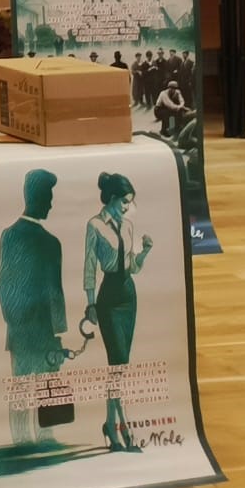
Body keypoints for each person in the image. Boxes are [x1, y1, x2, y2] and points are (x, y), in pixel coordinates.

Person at [84, 171, 154, 453]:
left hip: (128, 295)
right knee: (118, 362)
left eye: (130, 202)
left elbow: (132, 267)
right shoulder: (94, 225)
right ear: (112, 198)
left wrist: (145, 252)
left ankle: (110, 425)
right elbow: (89, 266)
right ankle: (124, 429)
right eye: (124, 201)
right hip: (109, 298)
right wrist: (90, 303)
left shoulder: (128, 227)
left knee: (119, 367)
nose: (127, 206)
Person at [0, 169, 67, 446]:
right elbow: (53, 292)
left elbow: (4, 285)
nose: (51, 203)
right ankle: (40, 441)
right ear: (36, 197)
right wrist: (56, 332)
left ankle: (25, 443)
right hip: (39, 331)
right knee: (36, 390)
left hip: (26, 331)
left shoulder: (11, 236)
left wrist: (16, 323)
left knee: (27, 390)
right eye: (48, 196)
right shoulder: (49, 243)